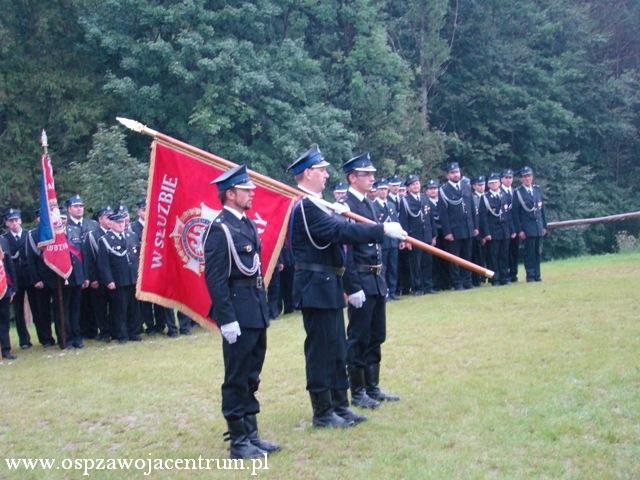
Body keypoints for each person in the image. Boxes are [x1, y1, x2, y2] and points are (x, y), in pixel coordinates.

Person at [288, 145, 406, 428]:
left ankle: (341, 405)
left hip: (328, 285)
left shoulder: (320, 204)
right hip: (314, 287)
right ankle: (323, 412)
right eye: (322, 170)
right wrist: (381, 230)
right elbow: (338, 233)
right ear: (308, 174)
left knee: (338, 348)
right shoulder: (305, 206)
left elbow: (337, 233)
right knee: (320, 352)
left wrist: (339, 215)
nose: (327, 175)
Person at [204, 164, 279, 459]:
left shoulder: (246, 223)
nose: (252, 194)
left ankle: (251, 433)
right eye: (246, 190)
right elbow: (215, 278)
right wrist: (227, 318)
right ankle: (238, 441)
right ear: (231, 193)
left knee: (252, 374)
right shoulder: (220, 228)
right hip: (237, 309)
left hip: (254, 306)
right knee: (236, 375)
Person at [342, 155, 401, 411]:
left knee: (377, 335)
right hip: (360, 278)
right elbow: (346, 251)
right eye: (366, 174)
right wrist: (352, 286)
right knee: (359, 337)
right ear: (352, 178)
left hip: (376, 278)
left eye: (372, 174)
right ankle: (357, 390)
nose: (372, 178)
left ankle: (373, 386)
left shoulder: (372, 204)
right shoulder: (345, 206)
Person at [97, 211, 142, 343]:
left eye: (122, 222)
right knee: (120, 309)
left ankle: (134, 332)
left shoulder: (131, 236)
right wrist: (109, 280)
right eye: (118, 222)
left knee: (134, 308)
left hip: (132, 278)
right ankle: (122, 334)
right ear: (111, 224)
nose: (121, 225)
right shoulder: (105, 240)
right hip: (118, 280)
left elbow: (138, 258)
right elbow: (103, 264)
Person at [132, 200, 175, 335]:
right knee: (145, 300)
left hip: (158, 266)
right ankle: (150, 326)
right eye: (144, 210)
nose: (147, 212)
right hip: (143, 269)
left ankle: (162, 324)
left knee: (160, 299)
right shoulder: (133, 228)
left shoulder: (158, 224)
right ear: (139, 212)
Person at [438, 162, 477, 290]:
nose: (456, 175)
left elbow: (472, 208)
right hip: (454, 230)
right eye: (453, 173)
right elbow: (443, 214)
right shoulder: (444, 190)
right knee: (455, 258)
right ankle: (457, 282)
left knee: (467, 256)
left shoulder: (466, 186)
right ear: (448, 175)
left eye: (457, 172)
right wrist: (447, 232)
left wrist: (475, 226)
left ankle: (467, 280)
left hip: (468, 227)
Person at [400, 175, 437, 295]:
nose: (416, 186)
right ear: (408, 188)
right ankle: (417, 287)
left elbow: (430, 218)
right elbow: (404, 221)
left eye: (417, 183)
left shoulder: (424, 198)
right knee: (415, 264)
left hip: (427, 235)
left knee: (428, 262)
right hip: (414, 237)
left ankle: (428, 286)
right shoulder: (405, 201)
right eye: (413, 184)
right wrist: (407, 239)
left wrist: (433, 235)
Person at [2, 208, 32, 349]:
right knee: (18, 311)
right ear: (7, 223)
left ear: (20, 220)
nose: (14, 223)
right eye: (11, 221)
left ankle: (45, 338)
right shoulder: (4, 239)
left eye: (16, 220)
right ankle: (24, 340)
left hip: (31, 277)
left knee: (38, 308)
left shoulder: (28, 234)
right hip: (15, 279)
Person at [513, 166, 547, 282]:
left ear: (532, 177)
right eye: (525, 176)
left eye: (529, 176)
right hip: (527, 228)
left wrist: (544, 226)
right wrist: (520, 230)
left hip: (538, 226)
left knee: (537, 252)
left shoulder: (537, 190)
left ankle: (537, 275)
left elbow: (542, 210)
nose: (527, 178)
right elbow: (516, 214)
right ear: (522, 178)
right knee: (529, 253)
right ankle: (530, 275)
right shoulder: (518, 193)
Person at [85, 206, 113, 342]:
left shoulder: (115, 233)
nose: (110, 220)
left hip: (113, 277)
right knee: (100, 307)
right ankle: (104, 332)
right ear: (100, 219)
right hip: (99, 278)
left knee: (114, 305)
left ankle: (115, 329)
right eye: (107, 217)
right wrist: (93, 278)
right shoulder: (92, 235)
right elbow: (89, 259)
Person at [479, 174, 511, 286]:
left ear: (500, 183)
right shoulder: (485, 198)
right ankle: (494, 279)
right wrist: (486, 233)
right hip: (492, 231)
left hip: (504, 230)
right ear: (488, 185)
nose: (494, 185)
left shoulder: (504, 195)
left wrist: (510, 230)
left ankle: (504, 277)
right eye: (491, 183)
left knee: (504, 255)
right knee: (493, 256)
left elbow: (508, 214)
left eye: (496, 182)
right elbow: (482, 218)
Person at [373, 179, 400, 301]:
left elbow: (396, 223)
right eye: (381, 189)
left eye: (385, 189)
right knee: (383, 269)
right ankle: (384, 293)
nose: (383, 192)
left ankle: (393, 291)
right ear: (376, 191)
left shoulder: (391, 205)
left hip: (393, 242)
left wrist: (400, 239)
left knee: (393, 268)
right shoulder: (373, 206)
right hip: (382, 242)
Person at [0, 235, 18, 359]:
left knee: (4, 320)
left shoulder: (3, 241)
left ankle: (6, 350)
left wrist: (13, 287)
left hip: (3, 285)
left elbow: (8, 264)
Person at [500, 169, 519, 282]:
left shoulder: (515, 191)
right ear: (501, 179)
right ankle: (505, 275)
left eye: (510, 177)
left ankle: (513, 274)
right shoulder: (499, 191)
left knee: (514, 252)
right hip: (504, 228)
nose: (508, 180)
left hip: (516, 227)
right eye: (506, 177)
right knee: (504, 253)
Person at [470, 177, 487, 287]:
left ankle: (487, 275)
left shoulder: (487, 197)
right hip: (477, 232)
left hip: (488, 232)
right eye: (479, 185)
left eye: (483, 184)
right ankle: (477, 278)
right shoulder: (472, 198)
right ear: (474, 186)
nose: (481, 187)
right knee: (477, 256)